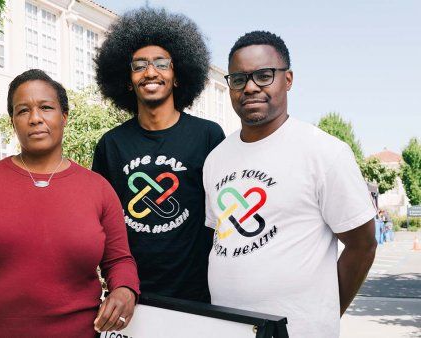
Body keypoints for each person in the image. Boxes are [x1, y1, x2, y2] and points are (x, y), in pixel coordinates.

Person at [0, 69, 139, 337]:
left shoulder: (98, 189)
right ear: (12, 121)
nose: (35, 118)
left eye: (46, 107)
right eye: (23, 111)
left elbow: (119, 260)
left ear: (64, 116)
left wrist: (125, 288)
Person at [203, 31, 377, 337]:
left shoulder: (324, 152)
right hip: (227, 328)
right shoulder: (216, 159)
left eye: (264, 75)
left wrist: (322, 316)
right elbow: (221, 237)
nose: (251, 87)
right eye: (239, 79)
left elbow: (362, 245)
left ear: (289, 79)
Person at [92, 7, 225, 303]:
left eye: (162, 64)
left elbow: (223, 219)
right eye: (139, 66)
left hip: (199, 296)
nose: (150, 72)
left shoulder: (209, 136)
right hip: (132, 296)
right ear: (127, 80)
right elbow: (102, 224)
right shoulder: (110, 145)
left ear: (178, 76)